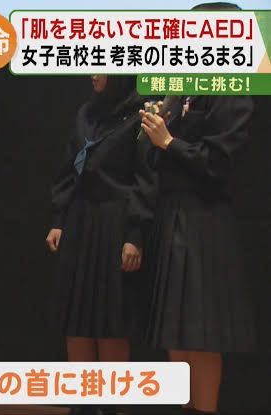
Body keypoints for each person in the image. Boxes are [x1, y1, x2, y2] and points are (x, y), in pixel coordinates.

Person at [139, 4, 257, 414]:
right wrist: (154, 131)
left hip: (205, 217)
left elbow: (218, 164)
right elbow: (152, 159)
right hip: (171, 212)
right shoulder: (180, 90)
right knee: (174, 328)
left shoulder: (233, 91)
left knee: (203, 333)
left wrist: (170, 142)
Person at [47, 75, 154, 415]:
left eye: (101, 67)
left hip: (116, 224)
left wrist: (135, 235)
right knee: (76, 317)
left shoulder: (140, 115)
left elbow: (145, 178)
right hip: (79, 220)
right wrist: (59, 219)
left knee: (111, 321)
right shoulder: (86, 113)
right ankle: (81, 405)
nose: (93, 74)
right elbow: (69, 167)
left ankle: (111, 405)